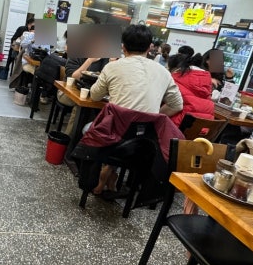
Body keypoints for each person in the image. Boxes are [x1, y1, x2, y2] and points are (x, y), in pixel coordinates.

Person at [89, 25, 183, 194]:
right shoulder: (164, 72)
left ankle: (101, 171)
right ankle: (111, 173)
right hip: (144, 143)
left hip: (113, 138)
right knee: (127, 134)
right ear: (149, 48)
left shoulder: (113, 67)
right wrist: (151, 116)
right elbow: (177, 105)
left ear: (123, 47)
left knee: (90, 127)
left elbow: (95, 96)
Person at [167, 51, 215, 128]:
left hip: (177, 128)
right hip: (201, 131)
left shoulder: (175, 79)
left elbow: (172, 107)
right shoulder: (206, 81)